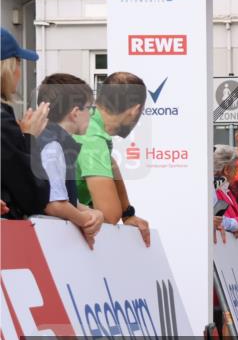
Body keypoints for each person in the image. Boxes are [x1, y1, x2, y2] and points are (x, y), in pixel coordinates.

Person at [74, 71, 151, 246]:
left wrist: (127, 212)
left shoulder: (90, 120)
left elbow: (110, 162)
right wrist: (122, 213)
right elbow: (109, 215)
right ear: (135, 110)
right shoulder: (92, 137)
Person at [34, 74, 104, 247]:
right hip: (47, 242)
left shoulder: (54, 141)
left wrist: (94, 213)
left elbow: (64, 198)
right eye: (89, 108)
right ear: (75, 113)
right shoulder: (53, 145)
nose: (91, 114)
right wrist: (86, 221)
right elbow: (55, 204)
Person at [1, 28, 50, 220]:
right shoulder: (3, 122)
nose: (19, 73)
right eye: (18, 64)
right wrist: (29, 138)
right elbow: (35, 198)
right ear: (6, 68)